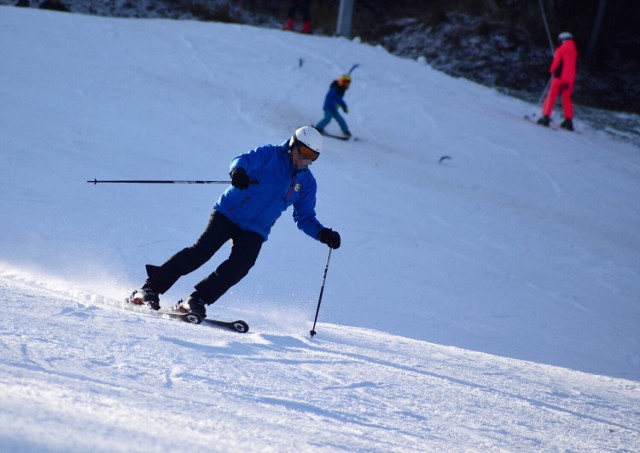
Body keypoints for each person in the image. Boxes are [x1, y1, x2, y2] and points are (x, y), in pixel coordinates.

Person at [128, 126, 341, 317]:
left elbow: (304, 217)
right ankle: (149, 289)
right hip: (229, 212)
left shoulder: (306, 183)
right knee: (200, 253)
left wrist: (323, 234)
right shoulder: (270, 154)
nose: (305, 159)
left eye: (311, 156)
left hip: (256, 229)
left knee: (241, 265)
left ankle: (196, 300)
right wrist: (238, 171)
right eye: (303, 152)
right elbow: (243, 159)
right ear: (293, 145)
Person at [537, 31, 578, 131]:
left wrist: (551, 70)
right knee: (567, 99)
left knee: (551, 97)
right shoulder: (574, 51)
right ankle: (568, 121)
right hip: (570, 79)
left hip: (559, 78)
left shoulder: (560, 50)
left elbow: (556, 64)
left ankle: (546, 117)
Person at [315, 74, 352, 138]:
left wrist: (344, 106)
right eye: (344, 83)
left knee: (341, 120)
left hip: (334, 109)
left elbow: (340, 100)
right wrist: (334, 104)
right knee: (327, 119)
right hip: (328, 107)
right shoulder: (334, 89)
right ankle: (318, 128)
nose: (345, 85)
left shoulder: (341, 90)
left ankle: (346, 131)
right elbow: (329, 98)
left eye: (347, 83)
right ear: (340, 81)